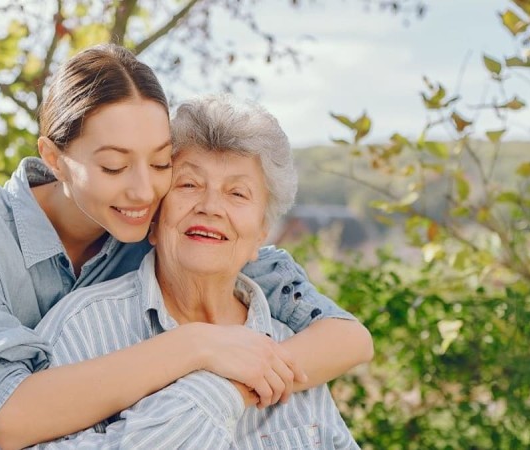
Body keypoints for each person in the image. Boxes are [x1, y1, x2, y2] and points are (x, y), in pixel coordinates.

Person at [0, 44, 373, 450]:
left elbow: (346, 336)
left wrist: (244, 378)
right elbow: (10, 419)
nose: (142, 190)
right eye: (114, 166)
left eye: (159, 163)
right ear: (54, 159)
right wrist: (196, 345)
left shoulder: (162, 219)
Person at [31, 94, 362, 449]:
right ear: (153, 218)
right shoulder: (84, 329)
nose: (211, 207)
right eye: (189, 185)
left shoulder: (290, 349)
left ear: (261, 236)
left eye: (237, 193)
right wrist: (212, 392)